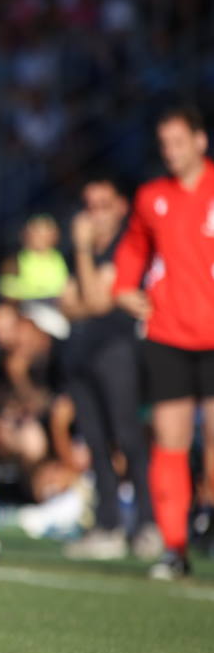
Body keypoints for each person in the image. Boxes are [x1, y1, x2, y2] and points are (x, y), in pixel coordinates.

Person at [112, 106, 214, 579]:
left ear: (200, 140)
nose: (171, 152)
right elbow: (133, 247)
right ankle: (175, 548)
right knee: (170, 443)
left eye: (178, 142)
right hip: (168, 333)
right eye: (164, 144)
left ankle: (207, 511)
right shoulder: (152, 197)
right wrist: (124, 289)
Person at [58, 177, 160, 560]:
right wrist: (91, 294)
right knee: (96, 443)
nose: (95, 215)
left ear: (120, 206)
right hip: (82, 353)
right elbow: (68, 303)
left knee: (129, 439)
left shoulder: (126, 246)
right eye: (90, 206)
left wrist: (85, 252)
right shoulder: (76, 252)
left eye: (103, 205)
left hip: (117, 351)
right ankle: (108, 524)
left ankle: (148, 524)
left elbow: (98, 301)